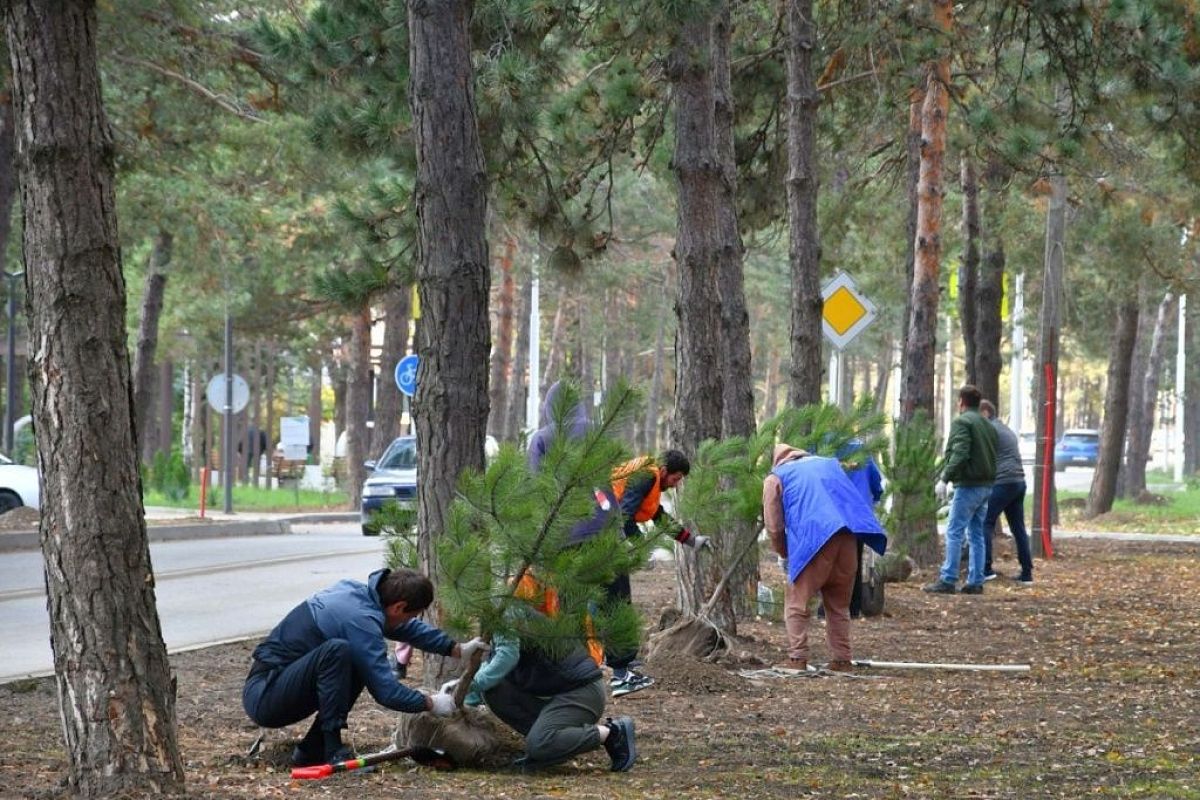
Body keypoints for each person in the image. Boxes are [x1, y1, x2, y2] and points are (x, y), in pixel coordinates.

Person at [242, 568, 489, 767]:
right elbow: (386, 691)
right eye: (412, 615)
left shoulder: (364, 597)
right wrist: (432, 704)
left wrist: (455, 649)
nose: (410, 621)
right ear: (398, 607)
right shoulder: (360, 620)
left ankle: (311, 749)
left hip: (279, 684)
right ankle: (333, 750)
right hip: (266, 696)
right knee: (338, 652)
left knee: (350, 659)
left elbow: (404, 628)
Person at [444, 576, 637, 773]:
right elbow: (492, 666)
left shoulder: (502, 609)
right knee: (494, 689)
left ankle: (611, 733)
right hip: (557, 693)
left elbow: (507, 656)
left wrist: (466, 685)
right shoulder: (495, 608)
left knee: (539, 744)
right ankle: (546, 744)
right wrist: (460, 698)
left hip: (580, 691)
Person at [764, 445, 888, 671]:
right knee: (839, 605)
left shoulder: (776, 477)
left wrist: (784, 552)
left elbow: (773, 526)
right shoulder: (828, 464)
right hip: (848, 538)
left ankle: (797, 658)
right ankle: (842, 659)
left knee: (796, 602)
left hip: (815, 540)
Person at [605, 449, 710, 695]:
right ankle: (621, 671)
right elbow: (623, 515)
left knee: (615, 601)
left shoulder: (649, 479)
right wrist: (639, 546)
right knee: (617, 602)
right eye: (675, 479)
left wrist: (691, 541)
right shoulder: (645, 476)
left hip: (607, 541)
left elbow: (659, 517)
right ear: (664, 471)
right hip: (604, 543)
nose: (674, 486)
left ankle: (622, 662)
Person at [924, 385, 998, 595]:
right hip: (986, 486)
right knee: (976, 534)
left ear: (961, 402)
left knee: (954, 531)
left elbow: (960, 452)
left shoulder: (962, 422)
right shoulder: (988, 424)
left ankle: (948, 579)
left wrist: (944, 478)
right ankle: (976, 581)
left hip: (968, 485)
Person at [979, 399, 1034, 585]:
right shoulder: (1006, 429)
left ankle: (985, 569)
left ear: (986, 412)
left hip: (1003, 482)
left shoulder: (991, 430)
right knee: (1018, 528)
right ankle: (1027, 573)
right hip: (1019, 482)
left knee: (985, 523)